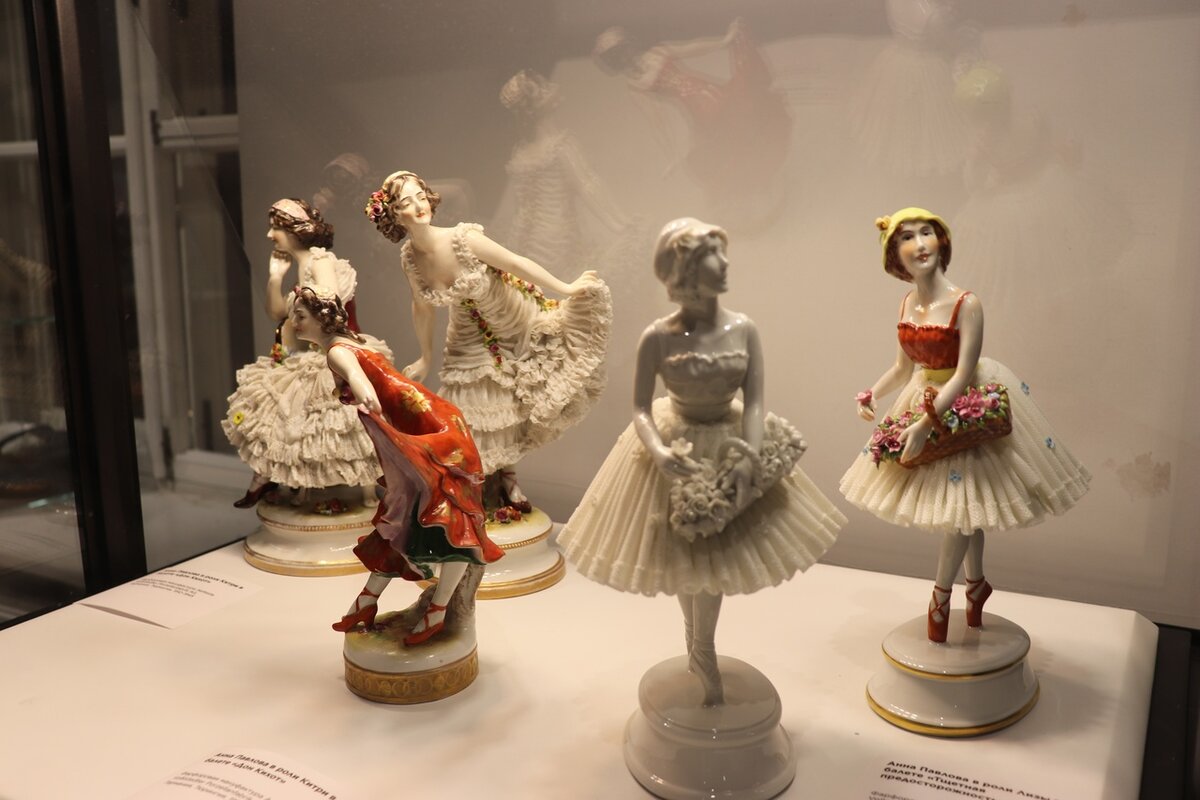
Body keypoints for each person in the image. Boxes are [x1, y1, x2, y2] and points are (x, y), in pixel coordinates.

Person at [558, 218, 844, 706]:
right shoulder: (658, 337)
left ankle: (702, 647)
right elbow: (640, 408)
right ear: (686, 269)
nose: (725, 263)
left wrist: (750, 453)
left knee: (711, 555)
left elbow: (755, 401)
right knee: (684, 552)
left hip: (729, 441)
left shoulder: (744, 329)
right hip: (679, 444)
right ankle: (697, 644)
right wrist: (658, 451)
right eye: (714, 254)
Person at [840, 208, 1090, 643]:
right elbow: (903, 367)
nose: (920, 244)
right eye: (907, 238)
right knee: (964, 511)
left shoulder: (966, 304)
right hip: (923, 394)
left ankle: (941, 596)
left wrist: (926, 423)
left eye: (926, 233)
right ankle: (976, 585)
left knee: (958, 515)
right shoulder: (907, 303)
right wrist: (873, 393)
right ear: (895, 256)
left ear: (942, 242)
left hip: (964, 404)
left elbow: (962, 373)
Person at [366, 169, 611, 513]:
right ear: (393, 213)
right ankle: (477, 485)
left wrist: (566, 288)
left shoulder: (463, 239)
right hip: (467, 329)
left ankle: (508, 476)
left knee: (518, 395)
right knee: (469, 403)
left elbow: (515, 262)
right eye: (407, 202)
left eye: (421, 196)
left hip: (514, 318)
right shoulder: (410, 258)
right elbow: (422, 307)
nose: (419, 206)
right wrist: (425, 356)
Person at [289, 285, 502, 646]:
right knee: (406, 516)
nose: (294, 322)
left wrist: (369, 404)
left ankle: (435, 611)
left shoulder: (338, 351)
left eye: (300, 316)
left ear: (322, 319)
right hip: (431, 417)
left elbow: (362, 382)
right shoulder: (351, 343)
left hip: (429, 428)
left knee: (448, 516)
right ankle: (366, 602)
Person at [223, 199, 388, 508]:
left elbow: (327, 304)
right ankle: (292, 483)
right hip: (309, 351)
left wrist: (299, 312)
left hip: (331, 349)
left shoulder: (319, 261)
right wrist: (275, 276)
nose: (270, 235)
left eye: (276, 227)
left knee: (323, 418)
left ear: (296, 230)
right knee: (282, 411)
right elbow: (277, 312)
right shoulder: (304, 265)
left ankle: (344, 487)